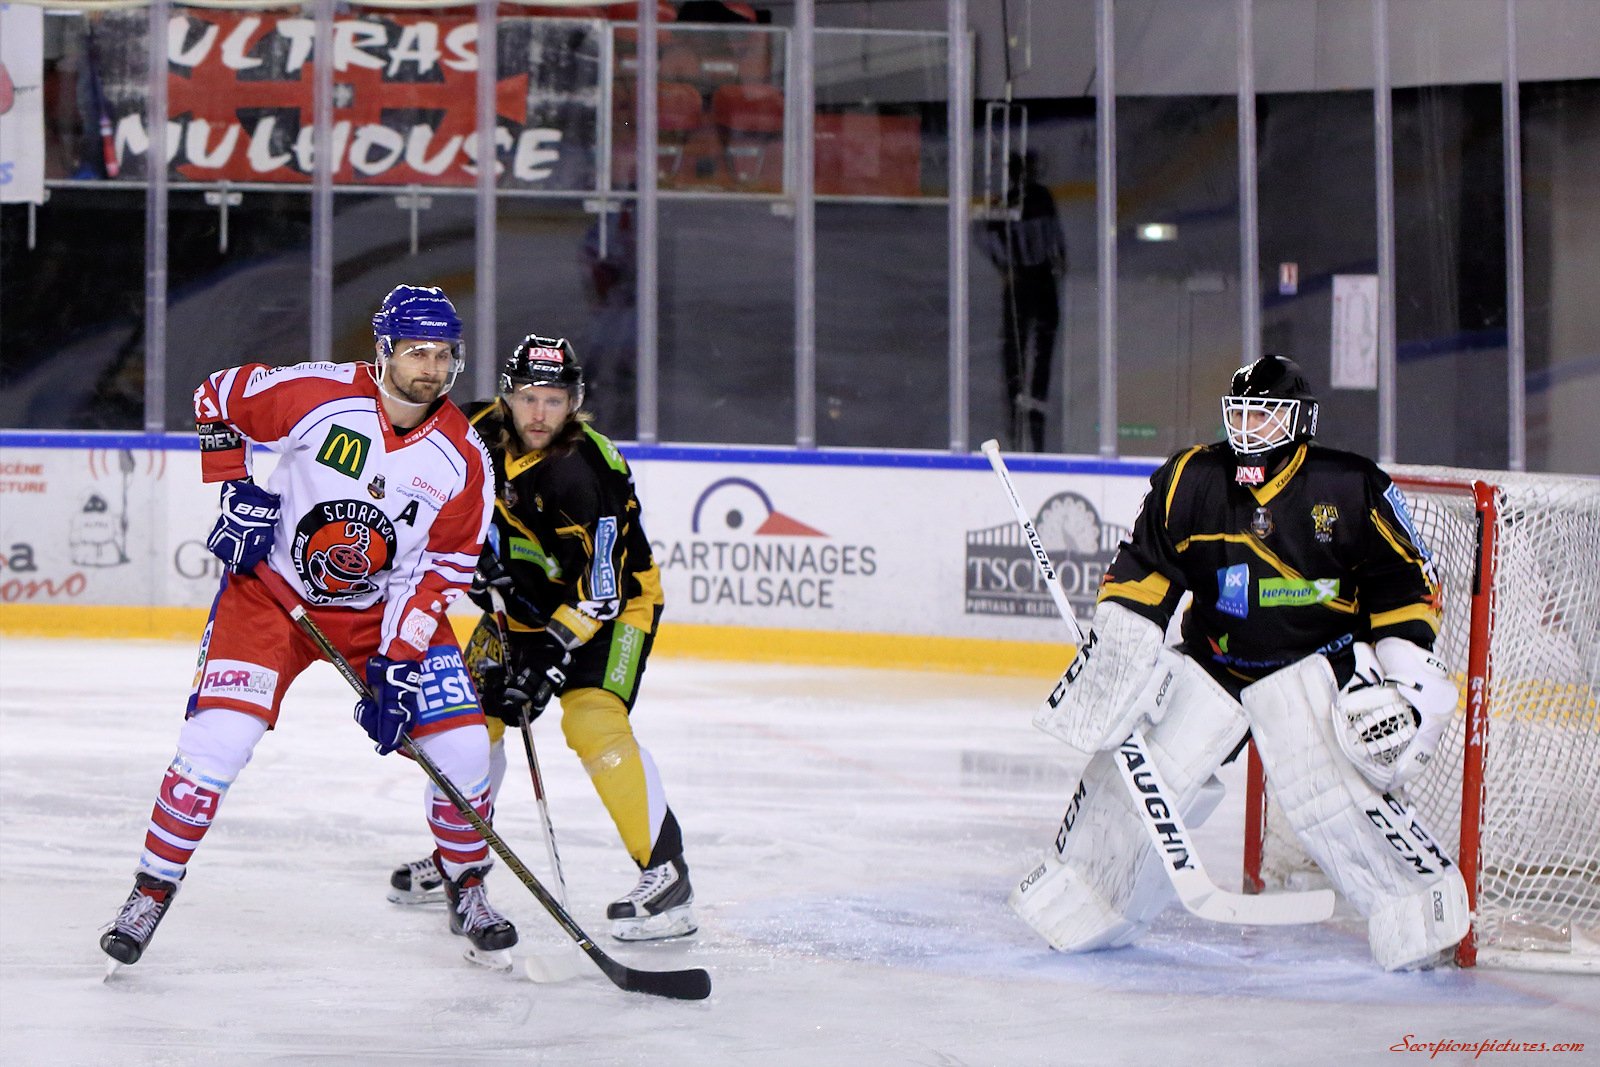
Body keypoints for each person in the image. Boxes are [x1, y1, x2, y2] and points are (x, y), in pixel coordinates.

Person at [99, 284, 519, 971]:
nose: (433, 367)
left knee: (466, 747)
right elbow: (216, 396)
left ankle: (466, 886)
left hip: (379, 613)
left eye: (445, 354)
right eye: (418, 351)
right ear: (384, 350)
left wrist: (399, 660)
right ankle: (151, 890)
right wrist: (236, 489)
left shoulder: (464, 456)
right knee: (216, 744)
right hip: (271, 598)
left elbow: (443, 568)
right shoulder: (320, 393)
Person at [1010, 354, 1467, 971]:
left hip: (1315, 669)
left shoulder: (1349, 487)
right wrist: (1119, 651)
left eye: (1265, 415)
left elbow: (1406, 583)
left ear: (1300, 422)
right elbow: (1144, 570)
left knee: (1338, 804)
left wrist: (1407, 676)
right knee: (1138, 781)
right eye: (1241, 414)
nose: (1249, 429)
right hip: (1216, 662)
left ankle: (1418, 914)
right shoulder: (1190, 479)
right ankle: (1087, 896)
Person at [386, 332, 696, 942]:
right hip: (520, 605)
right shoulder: (471, 427)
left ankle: (667, 877)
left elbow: (600, 593)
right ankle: (458, 857)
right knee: (467, 724)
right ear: (506, 395)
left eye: (554, 401)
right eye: (528, 397)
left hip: (611, 609)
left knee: (592, 720)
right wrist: (470, 556)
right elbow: (415, 476)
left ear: (574, 404)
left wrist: (547, 661)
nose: (538, 414)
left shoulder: (586, 474)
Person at [982, 151, 1067, 453]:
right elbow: (989, 238)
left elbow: (1055, 238)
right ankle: (1019, 411)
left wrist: (1008, 267)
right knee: (1021, 348)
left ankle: (1029, 409)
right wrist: (1007, 267)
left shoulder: (1036, 199)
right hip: (1027, 281)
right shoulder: (1010, 203)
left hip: (1034, 280)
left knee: (1035, 346)